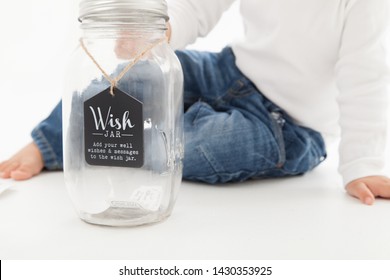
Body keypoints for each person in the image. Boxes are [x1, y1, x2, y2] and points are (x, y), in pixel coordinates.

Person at [1, 0, 390, 205]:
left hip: (290, 127)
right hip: (231, 71)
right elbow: (197, 6)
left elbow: (366, 79)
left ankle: (125, 138)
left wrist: (362, 164)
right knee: (140, 72)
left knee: (205, 145)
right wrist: (161, 31)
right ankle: (52, 142)